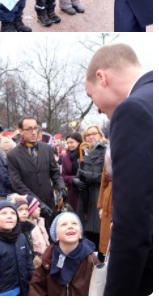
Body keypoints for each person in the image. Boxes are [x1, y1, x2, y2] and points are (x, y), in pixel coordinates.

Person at [84, 43, 152, 295]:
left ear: (101, 77)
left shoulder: (133, 110)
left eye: (92, 97)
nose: (98, 109)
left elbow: (133, 223)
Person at [6, 116, 65, 227]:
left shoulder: (46, 148)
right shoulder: (13, 155)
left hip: (49, 203)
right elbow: (17, 184)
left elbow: (54, 172)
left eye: (35, 128)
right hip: (29, 207)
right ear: (21, 131)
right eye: (29, 129)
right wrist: (37, 202)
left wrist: (61, 187)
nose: (33, 132)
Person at [28, 211, 98, 296]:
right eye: (64, 224)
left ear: (80, 234)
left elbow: (98, 288)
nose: (70, 226)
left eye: (74, 223)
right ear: (55, 235)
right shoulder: (47, 259)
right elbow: (37, 288)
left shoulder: (90, 259)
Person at [0, 199, 34, 296]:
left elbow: (28, 262)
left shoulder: (21, 237)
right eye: (3, 213)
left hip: (23, 289)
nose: (9, 216)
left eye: (13, 213)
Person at [76, 124, 107, 252]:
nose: (91, 137)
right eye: (88, 135)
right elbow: (80, 173)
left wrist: (88, 175)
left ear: (100, 135)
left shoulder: (106, 150)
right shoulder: (84, 151)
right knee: (88, 236)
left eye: (94, 133)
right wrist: (76, 180)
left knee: (102, 236)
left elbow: (108, 177)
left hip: (101, 197)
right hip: (86, 198)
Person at [60, 131, 83, 212]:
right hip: (72, 191)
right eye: (68, 142)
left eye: (72, 142)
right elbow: (63, 175)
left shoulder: (84, 154)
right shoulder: (65, 158)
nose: (69, 145)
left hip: (84, 189)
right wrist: (73, 179)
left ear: (78, 142)